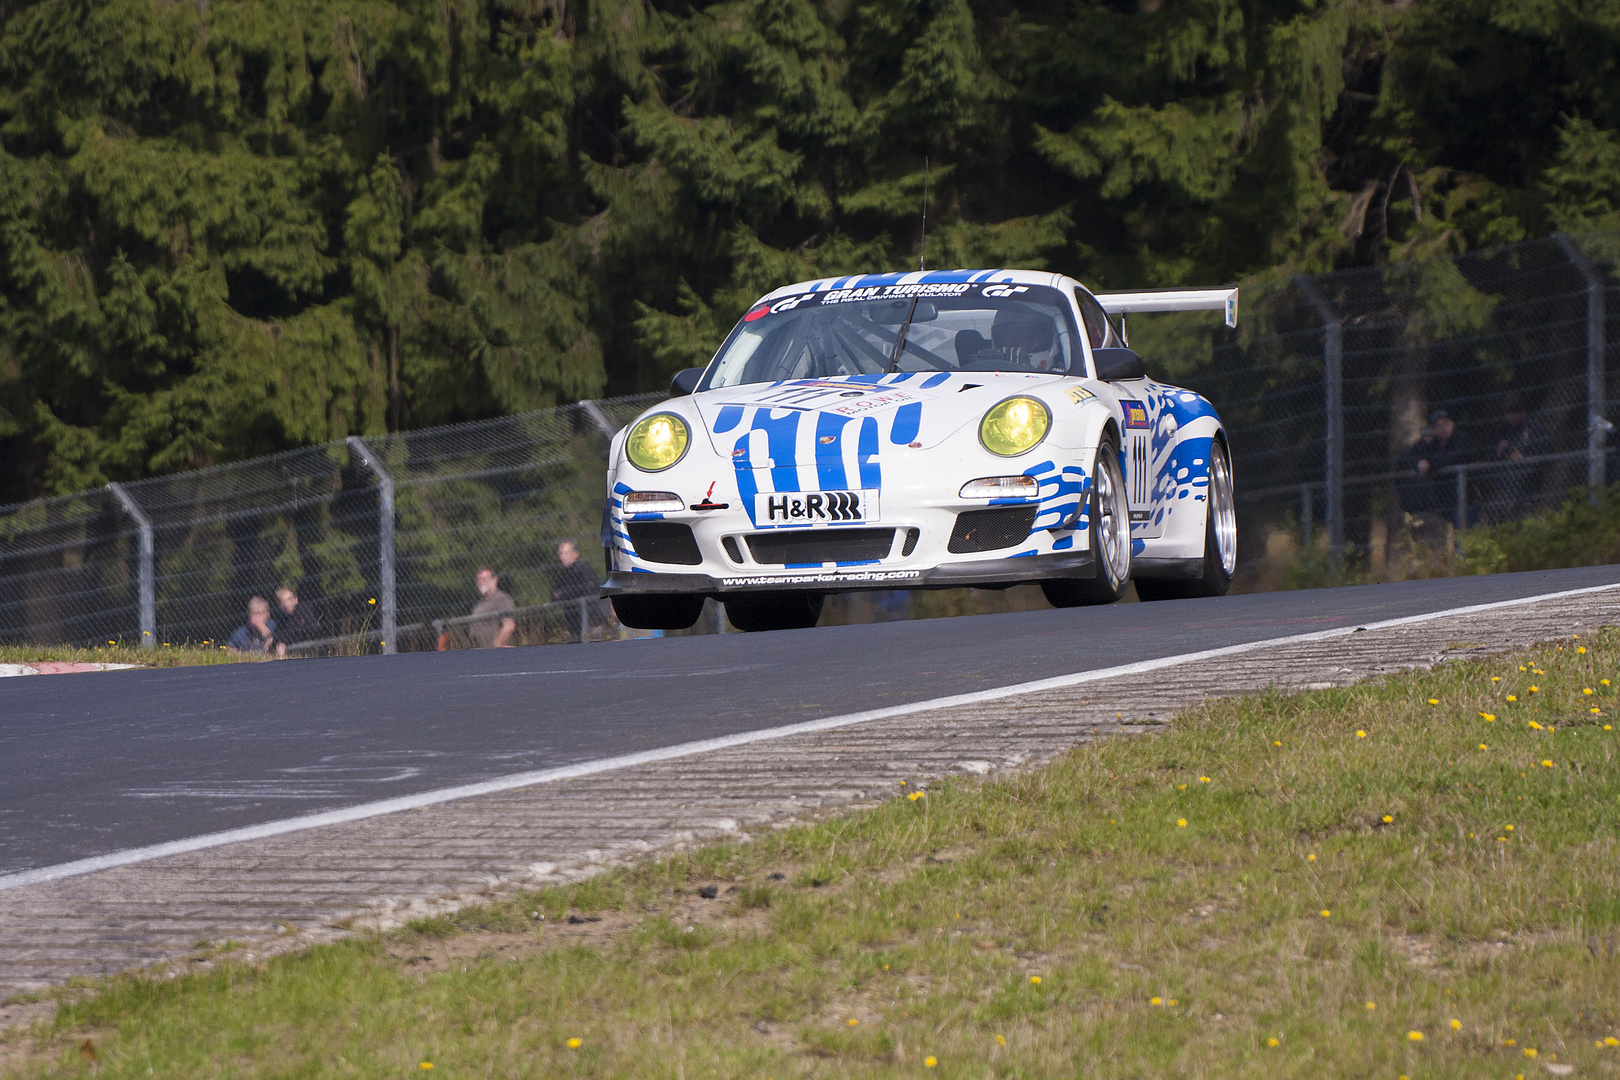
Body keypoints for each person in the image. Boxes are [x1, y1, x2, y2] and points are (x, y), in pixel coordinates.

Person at [1397, 409, 1473, 525]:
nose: (1443, 428)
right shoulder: (1432, 443)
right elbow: (1405, 458)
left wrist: (1430, 464)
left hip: (1463, 494)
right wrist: (1423, 445)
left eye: (1446, 424)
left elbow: (1455, 457)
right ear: (1433, 429)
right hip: (1441, 497)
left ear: (1453, 424)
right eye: (1439, 425)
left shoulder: (1461, 438)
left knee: (1464, 527)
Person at [551, 539, 603, 642]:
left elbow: (586, 591)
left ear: (576, 554)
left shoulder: (583, 570)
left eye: (566, 553)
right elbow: (554, 595)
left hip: (590, 620)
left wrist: (564, 594)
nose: (562, 557)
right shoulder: (563, 575)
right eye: (560, 554)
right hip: (573, 621)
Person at [469, 566, 516, 648]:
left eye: (484, 579)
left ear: (494, 580)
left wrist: (498, 644)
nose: (481, 582)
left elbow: (509, 624)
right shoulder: (479, 604)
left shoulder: (501, 598)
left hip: (494, 652)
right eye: (479, 579)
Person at [271, 587, 322, 658]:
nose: (286, 603)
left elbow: (311, 630)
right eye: (283, 601)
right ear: (279, 604)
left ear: (296, 600)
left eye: (289, 599)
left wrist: (283, 640)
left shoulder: (303, 610)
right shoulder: (282, 619)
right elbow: (279, 635)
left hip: (310, 649)